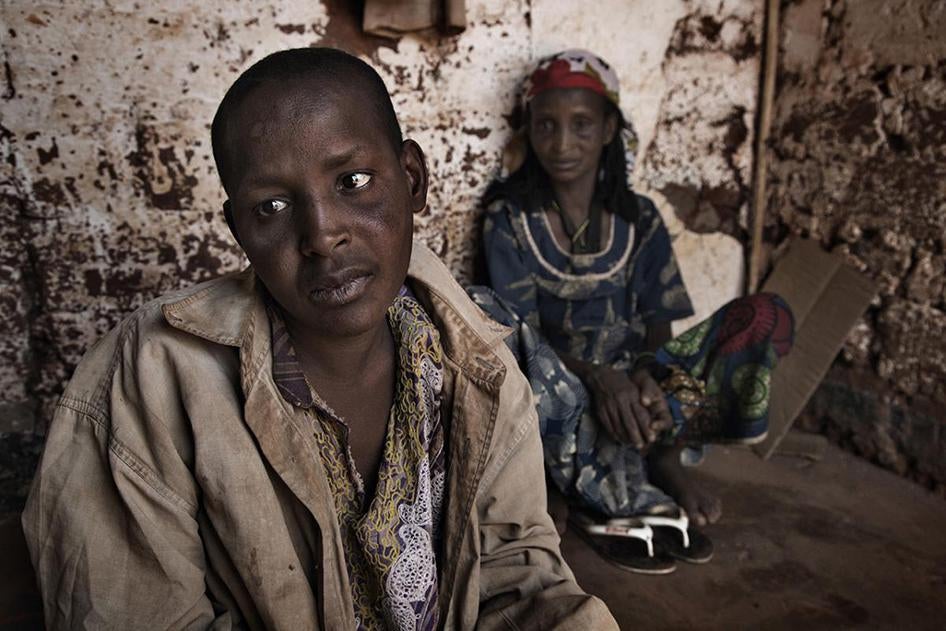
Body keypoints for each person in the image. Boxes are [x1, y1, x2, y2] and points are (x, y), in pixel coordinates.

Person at [22, 47, 618, 630]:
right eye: (272, 206)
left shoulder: (478, 357)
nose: (321, 234)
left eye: (353, 181)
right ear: (239, 231)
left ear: (412, 180)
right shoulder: (149, 377)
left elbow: (519, 578)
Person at [474, 50, 794, 572]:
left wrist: (647, 376)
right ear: (528, 131)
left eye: (581, 125)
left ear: (607, 130)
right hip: (565, 393)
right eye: (546, 125)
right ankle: (597, 486)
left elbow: (660, 324)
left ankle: (657, 463)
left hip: (638, 395)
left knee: (764, 313)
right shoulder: (509, 218)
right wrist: (599, 380)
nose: (561, 143)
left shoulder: (639, 217)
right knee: (486, 316)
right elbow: (519, 332)